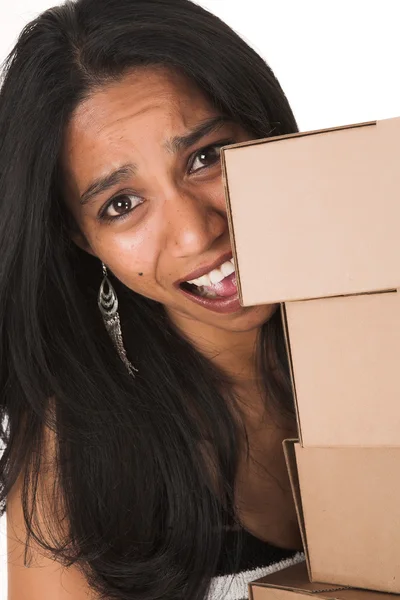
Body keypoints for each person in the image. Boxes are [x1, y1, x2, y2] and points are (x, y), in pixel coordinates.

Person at [0, 0, 305, 598]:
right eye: (121, 204)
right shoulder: (77, 455)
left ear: (263, 130)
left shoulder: (380, 323)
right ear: (81, 240)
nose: (196, 232)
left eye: (205, 157)